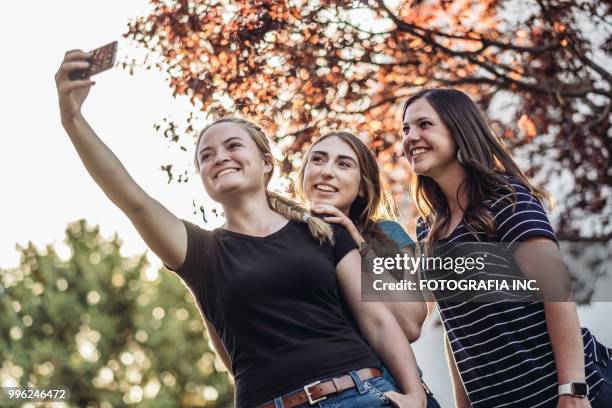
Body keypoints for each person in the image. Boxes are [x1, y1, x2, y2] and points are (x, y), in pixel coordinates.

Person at [55, 49, 426, 408]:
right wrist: (72, 119)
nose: (220, 157)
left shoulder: (338, 231)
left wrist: (415, 395)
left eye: (233, 145)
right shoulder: (201, 252)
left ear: (267, 163)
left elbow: (392, 321)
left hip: (358, 394)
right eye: (206, 155)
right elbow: (131, 197)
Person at [401, 87, 612, 408]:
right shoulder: (427, 230)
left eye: (424, 124)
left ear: (459, 130)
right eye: (405, 129)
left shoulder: (505, 199)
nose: (410, 136)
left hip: (571, 394)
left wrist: (572, 390)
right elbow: (456, 328)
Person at [296, 131, 441, 407]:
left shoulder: (388, 234)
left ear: (362, 187)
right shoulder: (285, 243)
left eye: (343, 164)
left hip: (394, 396)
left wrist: (356, 241)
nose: (327, 171)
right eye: (318, 160)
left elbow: (411, 324)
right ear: (304, 174)